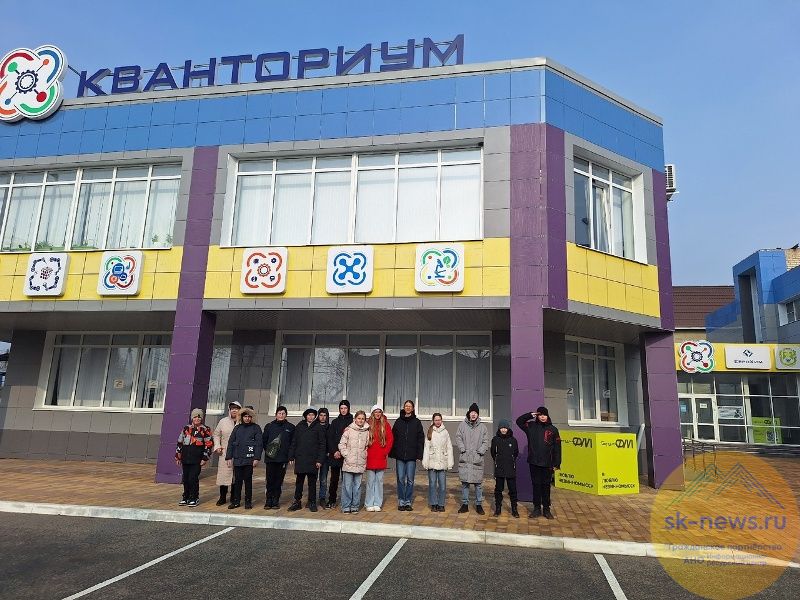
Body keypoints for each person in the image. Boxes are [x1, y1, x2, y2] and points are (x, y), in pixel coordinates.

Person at [516, 406, 561, 519]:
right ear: (537, 416)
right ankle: (536, 509)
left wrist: (557, 463)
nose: (542, 417)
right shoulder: (531, 426)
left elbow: (557, 448)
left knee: (546, 487)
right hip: (534, 462)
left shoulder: (553, 429)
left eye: (544, 415)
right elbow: (519, 421)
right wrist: (530, 415)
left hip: (547, 464)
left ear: (547, 416)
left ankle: (546, 509)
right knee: (536, 486)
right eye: (540, 415)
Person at [287, 406, 326, 512]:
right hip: (300, 459)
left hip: (313, 460)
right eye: (309, 415)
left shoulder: (319, 427)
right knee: (299, 482)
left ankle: (312, 502)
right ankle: (297, 501)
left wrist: (320, 460)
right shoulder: (299, 426)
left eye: (313, 415)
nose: (311, 417)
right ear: (305, 416)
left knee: (312, 482)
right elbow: (294, 442)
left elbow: (322, 445)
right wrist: (291, 456)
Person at [175, 408, 214, 507]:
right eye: (195, 417)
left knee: (193, 478)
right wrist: (178, 457)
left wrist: (205, 458)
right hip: (185, 458)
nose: (197, 419)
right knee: (186, 478)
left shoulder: (205, 429)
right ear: (192, 418)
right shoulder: (186, 428)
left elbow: (209, 445)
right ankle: (186, 497)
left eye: (199, 417)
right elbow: (180, 443)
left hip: (197, 459)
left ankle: (194, 497)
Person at [225, 407, 262, 510]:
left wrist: (256, 458)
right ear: (242, 417)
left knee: (248, 481)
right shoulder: (237, 428)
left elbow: (259, 444)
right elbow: (231, 443)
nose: (247, 418)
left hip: (249, 459)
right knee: (237, 481)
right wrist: (229, 457)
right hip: (238, 458)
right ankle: (236, 501)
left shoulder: (256, 428)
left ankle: (248, 501)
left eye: (249, 416)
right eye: (245, 416)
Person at [391, 400, 425, 511]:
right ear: (404, 407)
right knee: (400, 479)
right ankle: (401, 500)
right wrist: (393, 452)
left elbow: (420, 439)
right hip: (400, 456)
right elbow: (393, 437)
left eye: (410, 406)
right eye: (406, 406)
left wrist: (419, 454)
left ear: (413, 408)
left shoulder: (417, 422)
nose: (408, 408)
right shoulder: (398, 421)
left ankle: (408, 501)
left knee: (410, 480)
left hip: (411, 456)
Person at [456, 402, 489, 515]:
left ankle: (479, 504)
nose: (473, 414)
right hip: (465, 458)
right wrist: (462, 449)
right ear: (469, 413)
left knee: (478, 485)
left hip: (477, 459)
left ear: (478, 414)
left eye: (475, 412)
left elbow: (485, 441)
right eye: (472, 412)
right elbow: (458, 437)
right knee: (465, 483)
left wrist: (480, 452)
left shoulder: (483, 427)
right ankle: (465, 504)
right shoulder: (462, 425)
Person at [262, 406, 295, 509]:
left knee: (279, 481)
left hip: (282, 459)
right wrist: (269, 451)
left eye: (283, 413)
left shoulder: (290, 427)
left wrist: (290, 456)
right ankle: (268, 500)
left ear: (286, 415)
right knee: (269, 480)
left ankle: (276, 500)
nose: (281, 415)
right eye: (279, 413)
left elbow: (292, 443)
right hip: (270, 459)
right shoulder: (269, 426)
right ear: (276, 414)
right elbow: (264, 441)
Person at [338, 409, 370, 513]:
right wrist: (346, 455)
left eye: (363, 419)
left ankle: (355, 506)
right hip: (349, 463)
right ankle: (346, 506)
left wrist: (364, 455)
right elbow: (341, 444)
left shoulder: (367, 432)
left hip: (360, 463)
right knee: (347, 486)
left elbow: (367, 446)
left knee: (357, 486)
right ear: (355, 419)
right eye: (359, 418)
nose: (360, 420)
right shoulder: (348, 430)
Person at [422, 412, 453, 512]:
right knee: (432, 484)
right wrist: (425, 461)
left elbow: (449, 447)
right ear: (433, 421)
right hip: (432, 461)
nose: (438, 422)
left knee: (442, 486)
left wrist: (450, 462)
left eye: (439, 420)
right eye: (436, 420)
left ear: (441, 420)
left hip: (442, 462)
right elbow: (426, 448)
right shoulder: (430, 431)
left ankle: (441, 504)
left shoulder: (445, 432)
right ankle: (433, 503)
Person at [364, 404, 393, 512]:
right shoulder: (367, 424)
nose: (377, 414)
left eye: (379, 412)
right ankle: (369, 503)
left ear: (381, 413)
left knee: (379, 481)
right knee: (370, 481)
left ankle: (377, 503)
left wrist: (385, 452)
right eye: (375, 412)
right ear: (372, 413)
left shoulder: (385, 424)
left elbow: (390, 439)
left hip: (381, 457)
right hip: (370, 457)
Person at [212, 401, 241, 506]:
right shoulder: (223, 421)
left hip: (239, 453)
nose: (234, 410)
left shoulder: (242, 422)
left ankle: (234, 497)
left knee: (236, 476)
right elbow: (216, 434)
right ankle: (222, 497)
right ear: (229, 410)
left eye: (236, 408)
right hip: (225, 452)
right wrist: (217, 446)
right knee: (224, 476)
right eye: (232, 408)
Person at [326, 399, 353, 509]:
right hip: (336, 456)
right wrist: (334, 451)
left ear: (348, 409)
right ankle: (331, 499)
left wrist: (344, 452)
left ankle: (347, 501)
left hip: (347, 455)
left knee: (347, 480)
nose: (343, 410)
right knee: (334, 479)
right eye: (341, 408)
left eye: (345, 408)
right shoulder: (335, 422)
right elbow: (330, 438)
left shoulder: (353, 422)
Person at [491, 419, 519, 518]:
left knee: (513, 490)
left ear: (508, 429)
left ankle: (514, 509)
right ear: (499, 429)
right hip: (499, 468)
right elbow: (493, 453)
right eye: (502, 428)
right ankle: (498, 508)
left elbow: (516, 453)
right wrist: (498, 461)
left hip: (510, 468)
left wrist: (511, 460)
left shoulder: (513, 440)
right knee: (498, 489)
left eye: (505, 428)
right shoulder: (495, 439)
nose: (503, 430)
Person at [316, 407, 331, 507]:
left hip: (326, 457)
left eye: (325, 415)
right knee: (313, 479)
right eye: (321, 415)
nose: (323, 417)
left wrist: (329, 451)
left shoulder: (329, 427)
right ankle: (311, 498)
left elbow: (331, 440)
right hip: (315, 456)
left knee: (323, 479)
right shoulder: (314, 426)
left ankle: (322, 497)